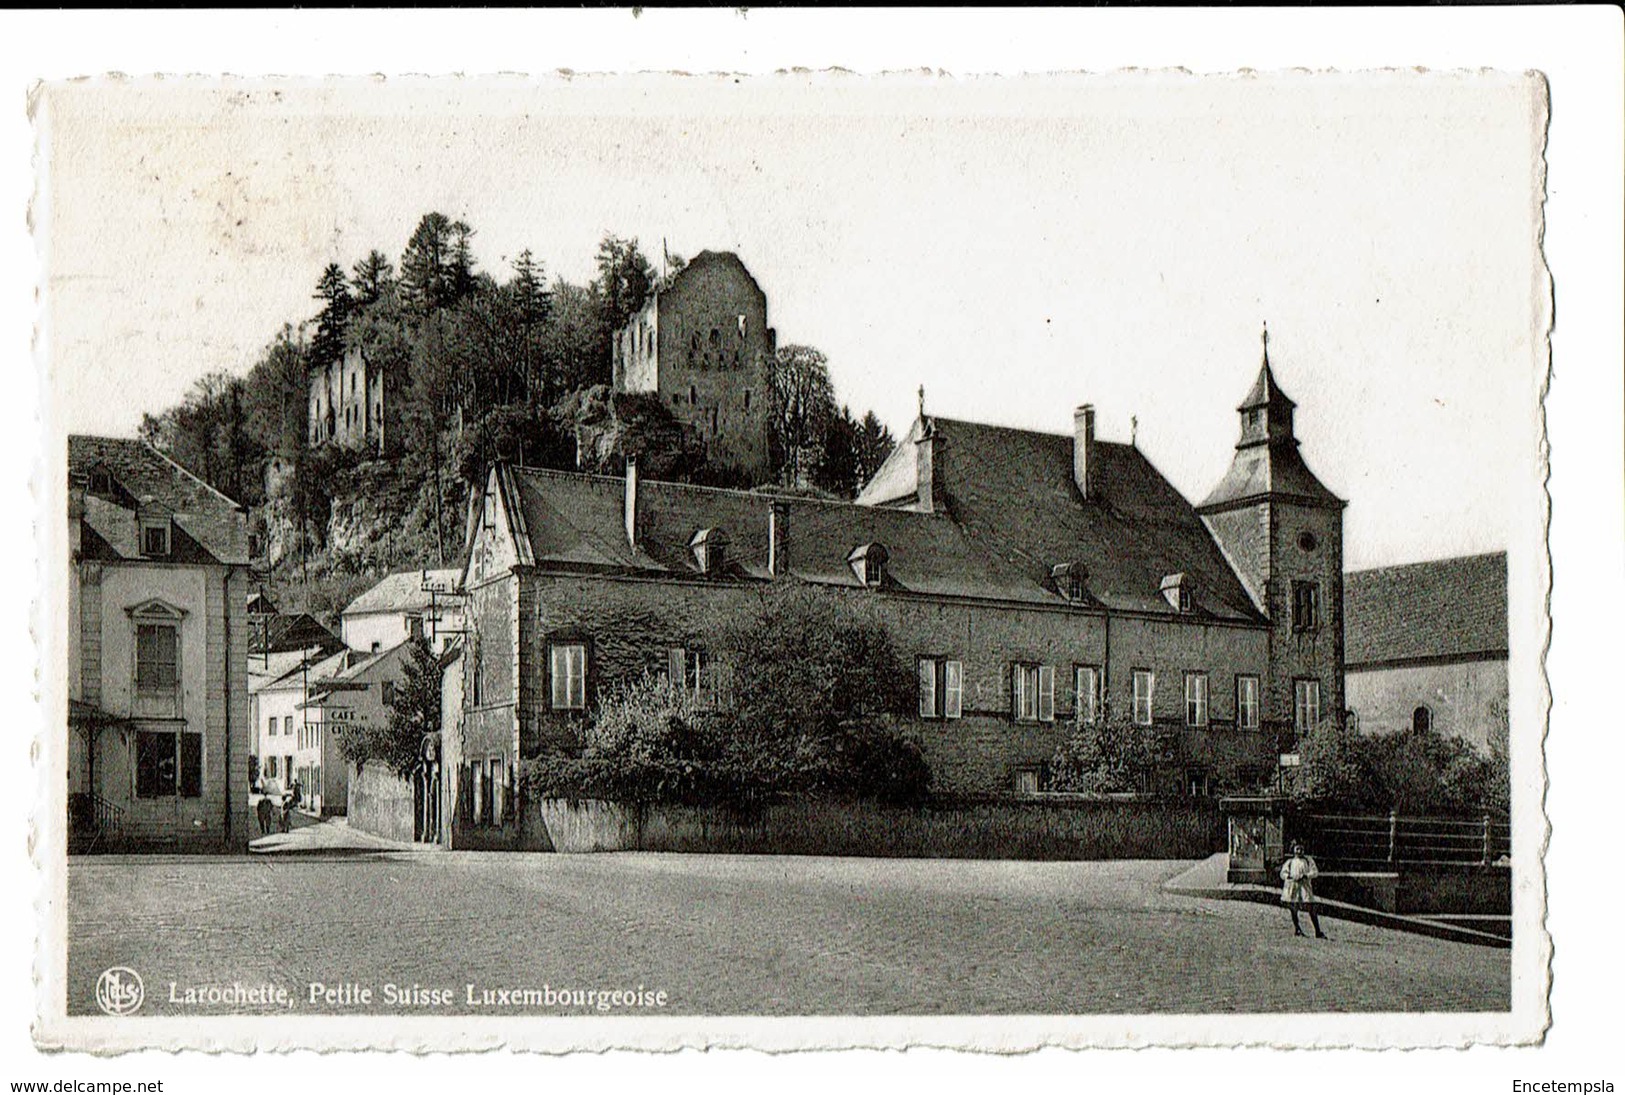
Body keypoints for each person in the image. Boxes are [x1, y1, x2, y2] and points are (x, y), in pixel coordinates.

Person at [1280, 841, 1328, 939]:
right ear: (1293, 850)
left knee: (1311, 907)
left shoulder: (1308, 861)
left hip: (1305, 887)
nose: (1299, 851)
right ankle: (1297, 928)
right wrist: (1288, 876)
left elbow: (1315, 872)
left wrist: (1306, 875)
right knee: (1294, 908)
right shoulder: (1290, 862)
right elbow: (1283, 873)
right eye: (1297, 849)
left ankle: (1317, 931)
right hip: (1293, 886)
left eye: (1301, 849)